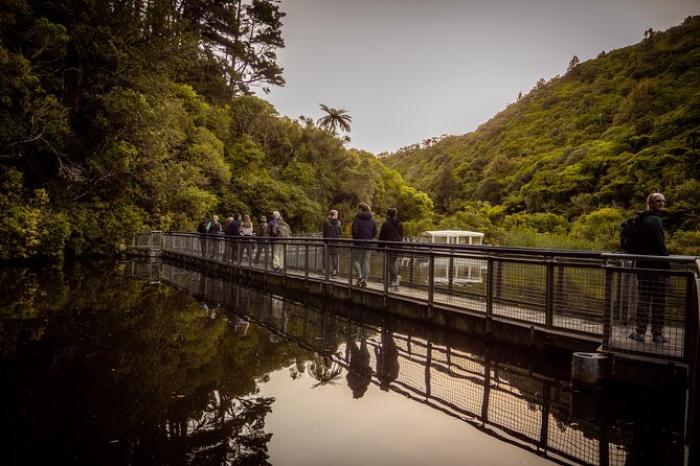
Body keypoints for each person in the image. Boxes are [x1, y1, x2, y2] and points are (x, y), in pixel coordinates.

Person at [629, 192, 670, 344]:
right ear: (650, 203)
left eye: (663, 201)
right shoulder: (655, 221)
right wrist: (668, 264)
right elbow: (660, 246)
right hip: (657, 268)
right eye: (658, 201)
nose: (662, 203)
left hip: (642, 266)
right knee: (659, 301)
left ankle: (639, 333)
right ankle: (657, 335)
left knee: (644, 299)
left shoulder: (640, 219)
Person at [351, 203, 377, 287]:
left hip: (359, 243)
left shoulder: (357, 219)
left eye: (358, 209)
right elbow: (375, 232)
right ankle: (365, 280)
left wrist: (356, 240)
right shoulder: (372, 220)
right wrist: (370, 238)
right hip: (369, 243)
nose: (357, 210)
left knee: (355, 260)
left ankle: (360, 277)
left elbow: (354, 231)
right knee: (366, 261)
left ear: (360, 209)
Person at [379, 207, 404, 288]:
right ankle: (392, 281)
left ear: (388, 215)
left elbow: (382, 237)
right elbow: (401, 235)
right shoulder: (400, 224)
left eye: (387, 214)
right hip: (398, 246)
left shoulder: (386, 224)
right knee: (392, 263)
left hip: (390, 246)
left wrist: (380, 247)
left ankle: (396, 277)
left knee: (388, 263)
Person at [322, 209, 342, 277]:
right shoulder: (339, 223)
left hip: (327, 242)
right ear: (336, 215)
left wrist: (325, 241)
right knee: (334, 257)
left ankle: (325, 270)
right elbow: (340, 233)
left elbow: (324, 233)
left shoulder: (326, 222)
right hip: (336, 242)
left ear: (330, 214)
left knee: (325, 256)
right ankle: (334, 271)